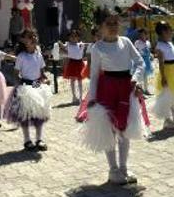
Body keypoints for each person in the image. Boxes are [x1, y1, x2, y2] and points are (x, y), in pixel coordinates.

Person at [80, 12, 148, 185]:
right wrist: (93, 98)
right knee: (109, 129)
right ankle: (113, 169)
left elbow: (140, 63)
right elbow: (94, 75)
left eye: (115, 23)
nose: (112, 27)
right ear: (101, 27)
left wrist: (135, 78)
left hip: (126, 88)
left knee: (124, 128)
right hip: (107, 89)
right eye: (108, 24)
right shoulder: (97, 48)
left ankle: (124, 168)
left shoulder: (126, 42)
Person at [4, 29, 52, 151]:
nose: (34, 38)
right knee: (25, 116)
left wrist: (45, 80)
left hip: (36, 85)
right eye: (30, 37)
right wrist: (20, 86)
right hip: (25, 87)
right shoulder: (21, 56)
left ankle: (39, 139)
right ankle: (27, 140)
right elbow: (16, 74)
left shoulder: (38, 55)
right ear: (24, 41)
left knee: (39, 114)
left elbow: (42, 74)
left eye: (35, 36)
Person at [60, 29, 87, 104]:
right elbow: (62, 46)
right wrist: (59, 43)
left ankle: (81, 96)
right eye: (71, 36)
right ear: (69, 37)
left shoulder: (81, 44)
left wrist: (83, 46)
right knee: (72, 80)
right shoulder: (68, 44)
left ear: (78, 37)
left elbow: (82, 50)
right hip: (72, 63)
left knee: (80, 80)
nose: (73, 38)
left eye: (75, 36)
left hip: (79, 63)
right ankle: (74, 96)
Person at [133, 29, 154, 95]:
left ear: (146, 34)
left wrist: (151, 55)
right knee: (141, 77)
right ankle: (141, 91)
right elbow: (135, 51)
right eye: (140, 34)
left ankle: (146, 90)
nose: (141, 36)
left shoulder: (148, 42)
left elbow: (149, 51)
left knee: (145, 76)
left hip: (147, 61)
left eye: (143, 34)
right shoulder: (137, 42)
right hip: (140, 61)